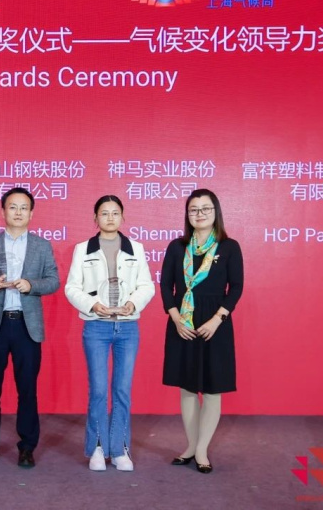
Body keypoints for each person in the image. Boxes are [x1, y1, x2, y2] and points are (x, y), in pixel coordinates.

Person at [0, 187, 60, 469]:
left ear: (31, 214)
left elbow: (53, 280)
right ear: (3, 211)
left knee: (27, 390)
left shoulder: (41, 246)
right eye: (12, 207)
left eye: (23, 208)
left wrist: (31, 285)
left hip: (26, 326)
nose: (18, 212)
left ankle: (27, 447)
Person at [64, 195, 155, 472]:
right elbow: (72, 288)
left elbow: (147, 285)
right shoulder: (83, 249)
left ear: (123, 217)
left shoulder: (136, 248)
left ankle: (120, 448)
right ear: (95, 218)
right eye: (104, 213)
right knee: (99, 390)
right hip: (96, 326)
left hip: (127, 327)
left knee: (122, 390)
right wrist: (93, 304)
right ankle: (97, 447)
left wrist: (133, 304)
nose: (110, 218)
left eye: (115, 213)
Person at [161, 189, 244, 474]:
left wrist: (217, 319)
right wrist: (176, 318)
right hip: (182, 323)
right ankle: (190, 445)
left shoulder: (229, 247)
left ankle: (202, 449)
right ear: (187, 215)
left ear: (215, 211)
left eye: (205, 208)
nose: (200, 214)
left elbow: (236, 287)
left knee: (212, 389)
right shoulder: (177, 247)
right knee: (186, 387)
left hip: (215, 324)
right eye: (194, 209)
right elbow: (166, 286)